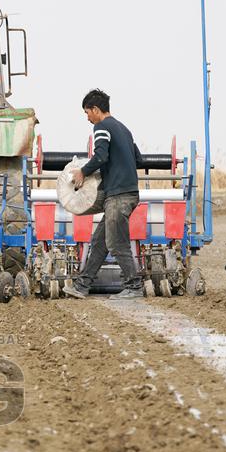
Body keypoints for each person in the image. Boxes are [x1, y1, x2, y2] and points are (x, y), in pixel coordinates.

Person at [64, 88, 143, 300]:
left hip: (118, 195)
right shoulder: (124, 129)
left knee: (116, 244)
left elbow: (100, 156)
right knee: (99, 243)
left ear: (96, 109)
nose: (88, 118)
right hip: (128, 192)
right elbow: (139, 159)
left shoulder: (101, 127)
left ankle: (134, 287)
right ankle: (82, 285)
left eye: (87, 112)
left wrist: (83, 172)